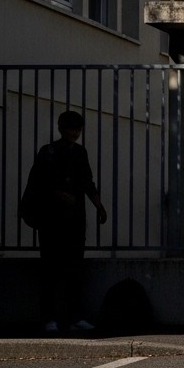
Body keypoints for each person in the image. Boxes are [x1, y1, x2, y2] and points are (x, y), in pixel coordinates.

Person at [30, 110, 108, 333]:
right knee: (51, 268)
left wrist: (98, 205)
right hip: (51, 220)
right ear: (61, 128)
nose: (75, 133)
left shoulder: (79, 153)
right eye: (72, 129)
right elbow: (38, 183)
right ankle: (50, 318)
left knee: (74, 268)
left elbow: (87, 181)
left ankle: (73, 316)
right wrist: (59, 194)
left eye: (78, 129)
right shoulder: (48, 152)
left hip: (74, 219)